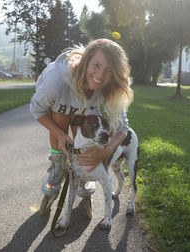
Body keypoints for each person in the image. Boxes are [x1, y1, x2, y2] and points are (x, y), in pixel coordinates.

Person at [29, 38, 133, 215]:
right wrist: (61, 136)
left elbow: (124, 128)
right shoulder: (56, 82)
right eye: (96, 65)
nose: (100, 76)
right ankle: (57, 169)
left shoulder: (108, 88)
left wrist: (107, 150)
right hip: (59, 104)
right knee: (60, 116)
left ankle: (83, 176)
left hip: (84, 110)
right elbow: (37, 110)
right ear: (86, 61)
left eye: (108, 71)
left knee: (88, 124)